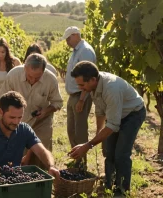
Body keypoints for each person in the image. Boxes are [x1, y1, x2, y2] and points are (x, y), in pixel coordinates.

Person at [68, 61, 146, 196]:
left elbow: (113, 125)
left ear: (92, 79)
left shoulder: (111, 89)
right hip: (117, 114)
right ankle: (109, 184)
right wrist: (99, 133)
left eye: (82, 84)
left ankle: (121, 189)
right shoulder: (93, 87)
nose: (80, 88)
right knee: (109, 151)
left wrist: (89, 144)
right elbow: (100, 112)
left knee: (121, 153)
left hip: (133, 113)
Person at [0, 53, 63, 170]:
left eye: (37, 77)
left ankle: (43, 179)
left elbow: (57, 102)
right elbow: (2, 100)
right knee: (17, 155)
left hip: (41, 121)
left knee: (41, 152)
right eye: (30, 76)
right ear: (25, 68)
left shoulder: (51, 79)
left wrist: (46, 111)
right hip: (18, 121)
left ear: (43, 71)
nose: (33, 79)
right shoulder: (13, 75)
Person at [62, 26, 96, 167]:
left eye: (68, 38)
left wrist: (82, 99)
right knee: (71, 129)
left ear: (76, 35)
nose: (67, 42)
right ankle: (76, 158)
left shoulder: (85, 51)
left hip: (81, 95)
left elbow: (88, 78)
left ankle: (81, 162)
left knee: (80, 130)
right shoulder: (76, 51)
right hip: (73, 95)